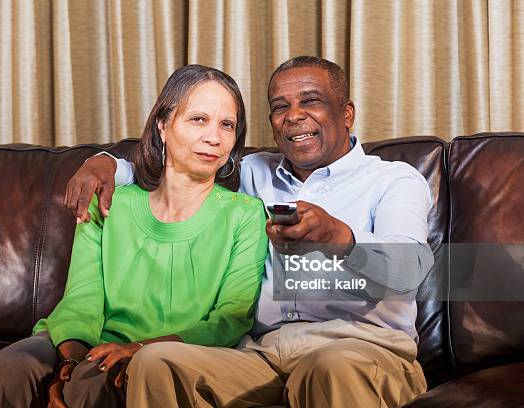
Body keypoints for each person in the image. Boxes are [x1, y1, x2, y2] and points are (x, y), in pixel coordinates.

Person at [66, 56, 434, 408]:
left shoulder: (393, 180)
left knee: (330, 368)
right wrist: (105, 164)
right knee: (156, 360)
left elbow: (408, 270)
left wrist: (338, 235)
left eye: (311, 101)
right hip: (262, 353)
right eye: (279, 106)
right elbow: (177, 168)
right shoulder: (255, 171)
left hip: (360, 347)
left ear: (347, 113)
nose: (294, 116)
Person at [0, 64, 268, 408]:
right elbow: (81, 299)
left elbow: (230, 319)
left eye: (227, 125)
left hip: (171, 351)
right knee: (9, 368)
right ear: (163, 125)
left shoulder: (245, 214)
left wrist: (139, 349)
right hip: (77, 337)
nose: (214, 138)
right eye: (198, 119)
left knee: (94, 379)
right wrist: (69, 361)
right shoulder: (110, 203)